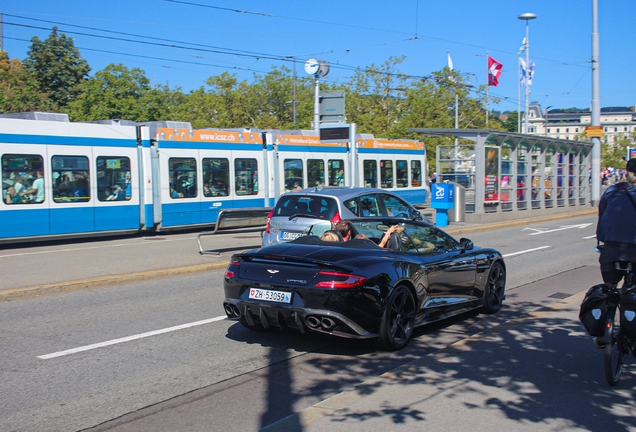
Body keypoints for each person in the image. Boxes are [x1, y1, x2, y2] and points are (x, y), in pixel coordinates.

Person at [596, 158, 636, 287]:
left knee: (610, 286)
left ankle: (608, 300)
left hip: (610, 249)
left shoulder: (612, 191)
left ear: (625, 172)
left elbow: (601, 214)